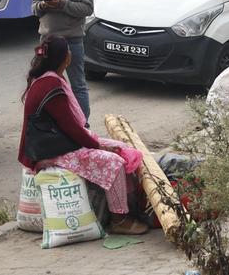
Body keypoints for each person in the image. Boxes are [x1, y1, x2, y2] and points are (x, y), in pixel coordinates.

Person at [19, 36, 149, 235]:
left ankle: (133, 208)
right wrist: (99, 147)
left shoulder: (53, 79)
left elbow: (73, 129)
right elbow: (73, 129)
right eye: (68, 51)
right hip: (50, 151)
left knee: (123, 149)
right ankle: (119, 219)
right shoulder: (51, 86)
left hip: (60, 142)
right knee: (113, 161)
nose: (71, 54)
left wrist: (100, 144)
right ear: (65, 58)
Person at [31, 0, 94, 120]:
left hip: (71, 41)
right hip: (47, 41)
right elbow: (33, 6)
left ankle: (82, 124)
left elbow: (87, 8)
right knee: (43, 83)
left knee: (78, 85)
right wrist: (43, 6)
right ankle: (48, 122)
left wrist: (64, 5)